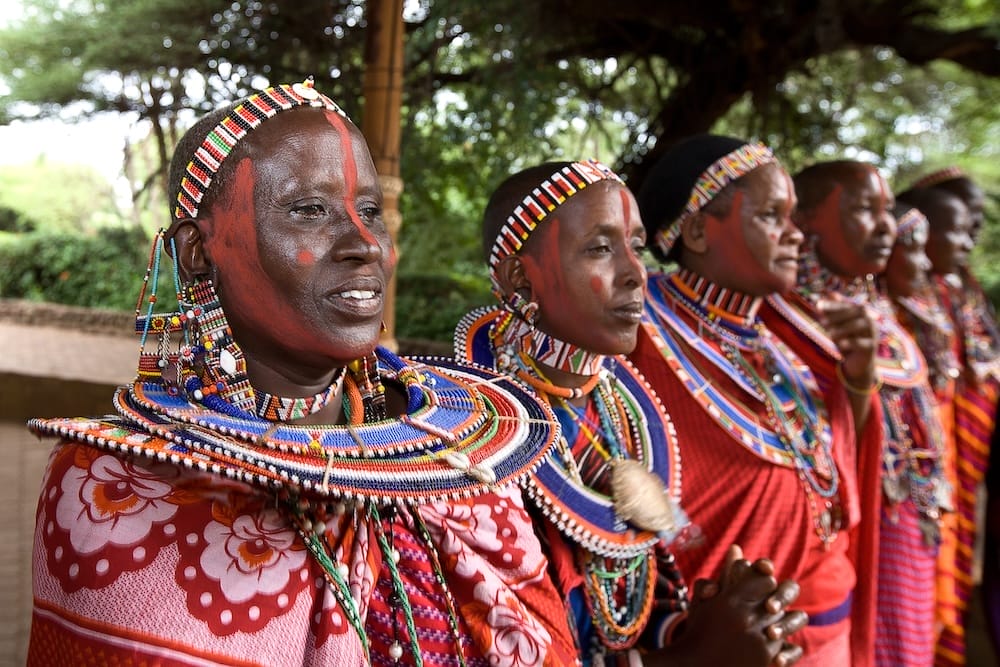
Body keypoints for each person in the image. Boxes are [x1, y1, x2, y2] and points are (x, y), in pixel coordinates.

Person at [26, 79, 581, 666]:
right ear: (197, 250)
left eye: (371, 212)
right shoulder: (114, 488)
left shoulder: (461, 460)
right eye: (309, 210)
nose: (366, 244)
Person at [453, 160, 809, 666]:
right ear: (520, 278)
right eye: (600, 249)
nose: (635, 272)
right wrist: (698, 658)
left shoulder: (617, 410)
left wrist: (716, 616)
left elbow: (646, 568)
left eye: (636, 247)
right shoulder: (470, 441)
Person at [630, 135, 884, 667]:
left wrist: (857, 378)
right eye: (773, 216)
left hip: (827, 629)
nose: (797, 235)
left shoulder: (783, 341)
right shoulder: (636, 339)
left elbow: (834, 474)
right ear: (697, 230)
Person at [789, 160, 951, 667]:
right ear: (806, 222)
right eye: (865, 209)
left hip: (910, 516)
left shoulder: (876, 308)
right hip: (852, 530)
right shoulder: (791, 317)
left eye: (887, 211)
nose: (886, 227)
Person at [904, 170, 1000, 664]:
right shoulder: (905, 299)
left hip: (960, 460)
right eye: (961, 224)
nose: (971, 237)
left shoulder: (961, 293)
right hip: (926, 468)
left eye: (976, 224)